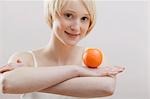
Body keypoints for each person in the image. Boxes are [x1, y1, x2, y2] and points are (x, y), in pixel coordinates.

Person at [0, 0, 125, 99]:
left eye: (84, 19)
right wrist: (76, 70)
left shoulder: (95, 57)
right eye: (68, 15)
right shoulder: (26, 59)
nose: (76, 27)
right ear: (51, 14)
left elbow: (107, 87)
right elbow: (7, 83)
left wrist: (30, 83)